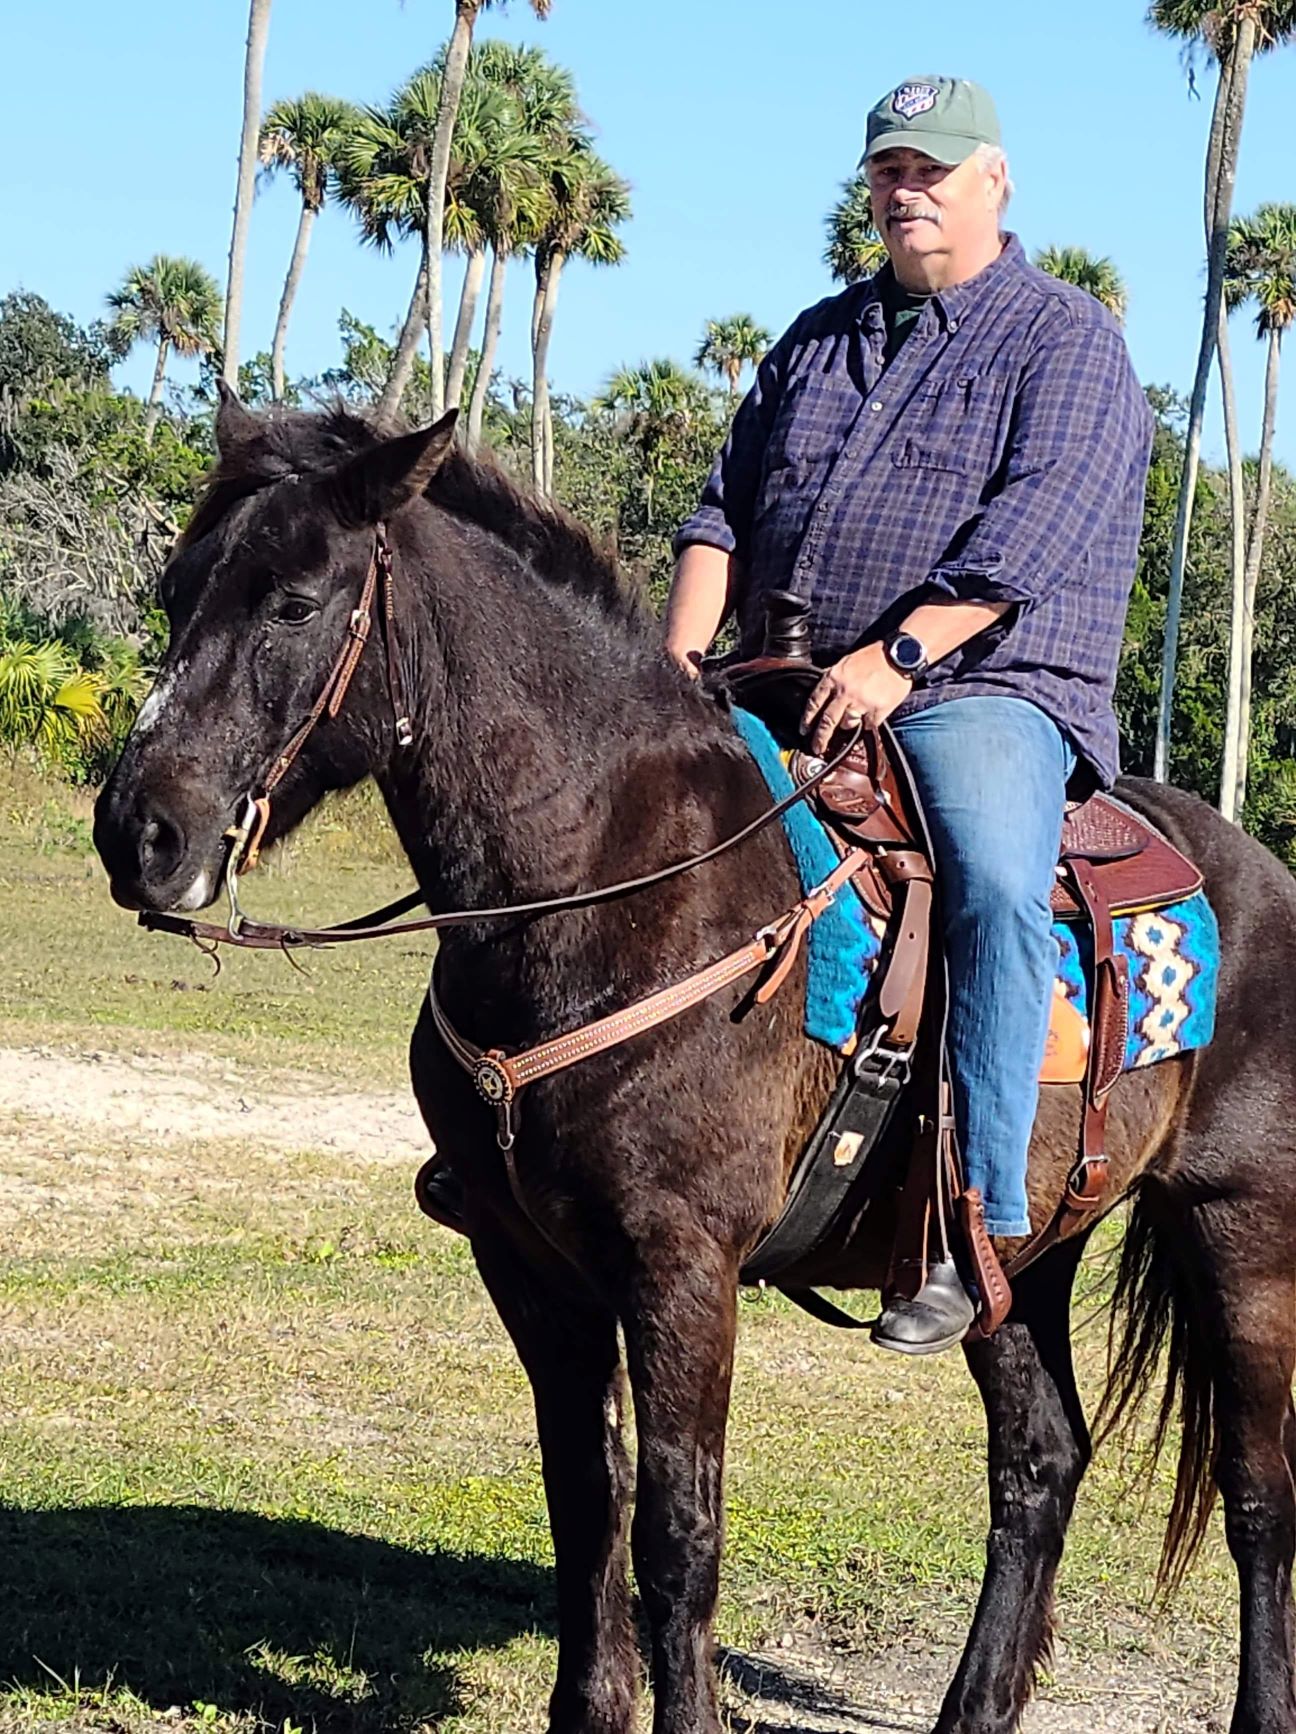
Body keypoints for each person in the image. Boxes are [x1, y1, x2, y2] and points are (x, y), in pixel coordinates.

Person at [667, 75, 1154, 1354]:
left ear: (995, 180)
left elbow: (1034, 528)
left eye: (932, 171)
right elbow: (720, 511)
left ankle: (977, 1219)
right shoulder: (819, 339)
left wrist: (896, 654)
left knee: (992, 882)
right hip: (781, 676)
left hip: (983, 690)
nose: (906, 192)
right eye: (889, 170)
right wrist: (674, 663)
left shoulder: (1067, 340)